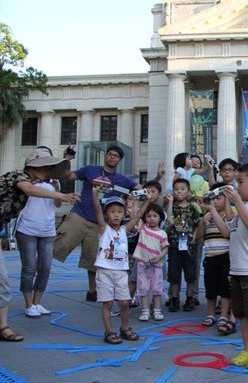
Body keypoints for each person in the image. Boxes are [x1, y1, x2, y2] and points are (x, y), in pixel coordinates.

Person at [0, 147, 79, 342]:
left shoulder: (42, 182)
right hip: (28, 231)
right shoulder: (18, 175)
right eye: (44, 167)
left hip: (42, 231)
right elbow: (28, 189)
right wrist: (61, 196)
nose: (47, 172)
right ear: (32, 165)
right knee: (26, 269)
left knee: (3, 282)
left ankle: (2, 327)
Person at [205, 162, 248, 371]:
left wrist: (237, 202)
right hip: (237, 270)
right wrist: (212, 209)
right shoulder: (242, 209)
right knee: (242, 314)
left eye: (240, 182)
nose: (236, 186)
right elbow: (227, 232)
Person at [53, 145, 144, 302]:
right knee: (58, 245)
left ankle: (92, 291)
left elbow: (140, 188)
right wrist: (66, 160)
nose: (112, 157)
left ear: (119, 160)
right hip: (79, 215)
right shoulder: (90, 169)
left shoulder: (121, 179)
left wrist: (153, 183)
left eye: (115, 156)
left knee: (93, 259)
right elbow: (68, 176)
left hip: (99, 223)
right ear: (106, 156)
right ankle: (38, 265)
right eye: (110, 154)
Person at [91, 188, 148, 345]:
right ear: (106, 215)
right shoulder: (104, 229)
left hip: (121, 271)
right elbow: (96, 209)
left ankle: (124, 328)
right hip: (105, 271)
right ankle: (109, 331)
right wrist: (95, 194)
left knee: (124, 302)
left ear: (124, 214)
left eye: (119, 211)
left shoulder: (124, 230)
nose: (116, 214)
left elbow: (137, 217)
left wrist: (147, 201)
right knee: (107, 303)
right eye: (112, 211)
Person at [16, 176, 62, 318]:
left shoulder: (54, 182)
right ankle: (29, 305)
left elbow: (58, 204)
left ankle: (37, 303)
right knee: (29, 267)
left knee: (45, 267)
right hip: (27, 229)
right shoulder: (26, 181)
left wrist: (57, 189)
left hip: (47, 230)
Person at [198, 182, 236, 334]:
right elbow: (199, 236)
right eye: (212, 199)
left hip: (226, 256)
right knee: (210, 286)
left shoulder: (230, 214)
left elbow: (230, 232)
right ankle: (211, 313)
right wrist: (202, 221)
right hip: (210, 255)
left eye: (218, 198)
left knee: (225, 288)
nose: (214, 201)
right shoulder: (206, 215)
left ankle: (223, 315)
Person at [165, 178, 202, 312]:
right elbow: (169, 218)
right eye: (176, 189)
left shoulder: (192, 208)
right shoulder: (172, 207)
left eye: (182, 189)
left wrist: (194, 236)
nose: (179, 191)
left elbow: (198, 223)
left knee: (190, 273)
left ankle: (190, 297)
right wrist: (169, 203)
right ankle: (174, 299)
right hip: (174, 245)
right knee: (174, 273)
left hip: (189, 245)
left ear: (188, 192)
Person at [131, 203, 169, 322]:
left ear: (160, 218)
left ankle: (157, 310)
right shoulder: (143, 229)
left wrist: (159, 257)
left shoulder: (162, 233)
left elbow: (165, 248)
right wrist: (134, 204)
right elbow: (134, 218)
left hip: (156, 266)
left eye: (155, 216)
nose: (152, 218)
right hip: (143, 265)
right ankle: (145, 311)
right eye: (149, 216)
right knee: (143, 288)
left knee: (157, 289)